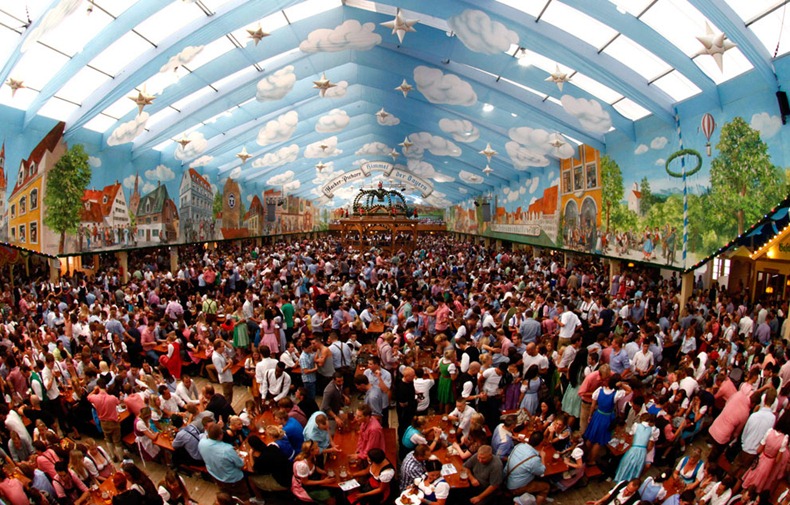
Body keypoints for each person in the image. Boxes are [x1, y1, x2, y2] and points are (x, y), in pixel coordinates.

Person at [198, 424, 249, 500]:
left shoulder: (201, 443)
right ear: (220, 435)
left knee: (226, 495)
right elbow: (240, 464)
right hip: (232, 479)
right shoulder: (227, 449)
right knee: (243, 497)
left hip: (216, 476)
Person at [505, 432, 550, 505]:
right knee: (546, 487)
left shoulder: (519, 446)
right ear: (541, 443)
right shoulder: (534, 460)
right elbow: (542, 471)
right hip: (516, 487)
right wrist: (543, 457)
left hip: (506, 478)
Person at [614, 413, 659, 482]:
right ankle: (630, 481)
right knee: (637, 467)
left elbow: (631, 437)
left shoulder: (636, 425)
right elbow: (650, 445)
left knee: (626, 463)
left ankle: (621, 478)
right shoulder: (652, 430)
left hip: (634, 448)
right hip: (643, 451)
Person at [292, 440, 337, 505]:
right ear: (311, 451)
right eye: (316, 448)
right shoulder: (302, 465)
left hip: (313, 479)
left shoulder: (312, 457)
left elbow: (314, 467)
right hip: (304, 487)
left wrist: (324, 472)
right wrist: (324, 481)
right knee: (329, 497)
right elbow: (305, 482)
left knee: (332, 490)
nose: (318, 448)